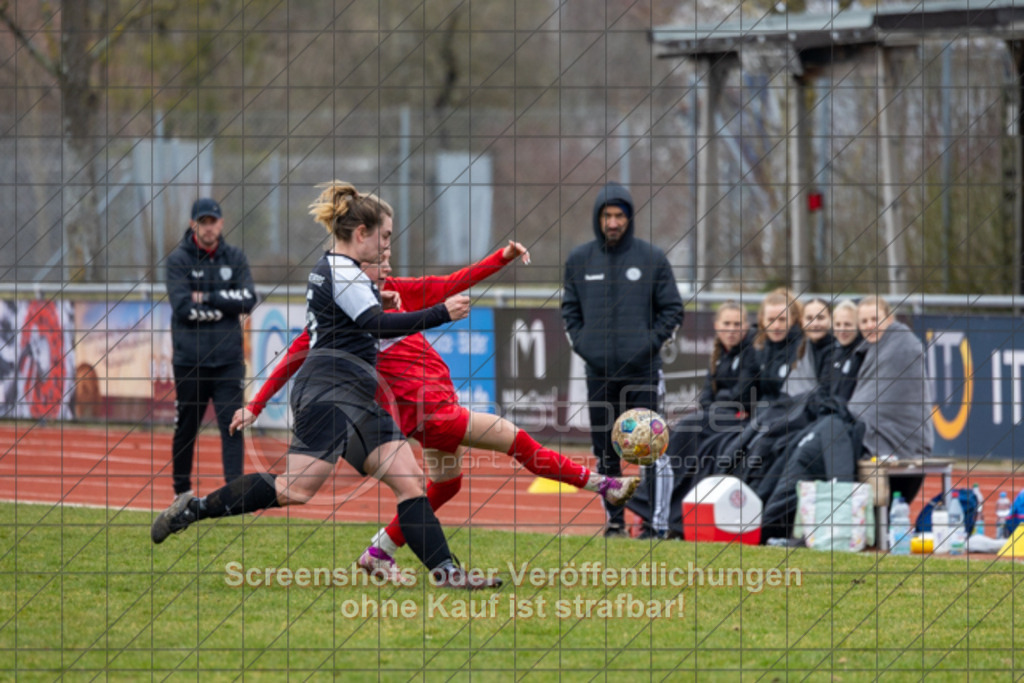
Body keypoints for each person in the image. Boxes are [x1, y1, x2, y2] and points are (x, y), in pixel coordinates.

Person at [152, 182, 500, 590]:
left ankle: (448, 574)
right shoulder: (341, 270)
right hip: (328, 392)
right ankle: (195, 509)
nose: (387, 246)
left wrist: (384, 305)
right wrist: (440, 313)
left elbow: (359, 320)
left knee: (409, 482)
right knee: (294, 490)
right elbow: (374, 325)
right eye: (384, 236)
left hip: (353, 392)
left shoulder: (342, 271)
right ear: (361, 234)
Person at [231, 245, 641, 578]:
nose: (387, 263)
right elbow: (297, 351)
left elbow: (452, 282)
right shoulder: (345, 316)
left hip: (435, 410)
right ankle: (603, 485)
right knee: (519, 441)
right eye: (378, 259)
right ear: (356, 267)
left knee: (446, 485)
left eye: (388, 254)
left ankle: (379, 552)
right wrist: (257, 404)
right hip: (431, 415)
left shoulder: (396, 290)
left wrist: (500, 258)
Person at [561, 181, 684, 538]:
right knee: (606, 452)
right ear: (597, 218)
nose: (613, 223)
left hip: (643, 373)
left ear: (629, 218)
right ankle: (614, 524)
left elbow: (673, 311)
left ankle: (655, 527)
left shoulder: (652, 258)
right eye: (606, 216)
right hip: (598, 374)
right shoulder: (579, 260)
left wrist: (646, 345)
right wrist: (587, 346)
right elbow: (570, 311)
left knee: (651, 452)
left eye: (619, 216)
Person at [630, 301, 751, 536]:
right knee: (678, 434)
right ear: (717, 326)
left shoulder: (750, 355)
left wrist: (721, 408)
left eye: (737, 324)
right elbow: (707, 395)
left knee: (689, 428)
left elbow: (743, 396)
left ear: (746, 327)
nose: (732, 329)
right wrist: (715, 408)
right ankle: (652, 503)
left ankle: (657, 509)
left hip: (735, 420)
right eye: (727, 323)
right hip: (715, 417)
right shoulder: (718, 356)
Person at [164, 198, 256, 502]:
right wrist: (224, 304)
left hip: (229, 359)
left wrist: (207, 297)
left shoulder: (235, 257)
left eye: (213, 221)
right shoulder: (179, 260)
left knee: (233, 426)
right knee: (186, 426)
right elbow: (183, 308)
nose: (208, 227)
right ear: (194, 224)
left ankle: (235, 492)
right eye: (202, 222)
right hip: (190, 360)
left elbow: (247, 300)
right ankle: (182, 491)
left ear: (221, 222)